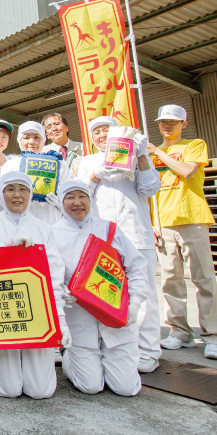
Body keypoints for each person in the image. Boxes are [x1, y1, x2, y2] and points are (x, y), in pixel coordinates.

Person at [0, 171, 67, 399]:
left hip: (35, 311)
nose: (17, 195)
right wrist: (7, 246)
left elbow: (54, 273)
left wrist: (59, 317)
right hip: (0, 309)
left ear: (31, 194)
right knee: (8, 390)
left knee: (41, 391)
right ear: (1, 194)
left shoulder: (44, 229)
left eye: (23, 189)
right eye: (10, 189)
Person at [77, 116, 162, 373]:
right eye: (97, 132)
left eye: (107, 131)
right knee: (105, 292)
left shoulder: (135, 156)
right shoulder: (88, 161)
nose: (102, 135)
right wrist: (96, 173)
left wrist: (142, 155)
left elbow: (150, 188)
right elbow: (79, 195)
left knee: (144, 295)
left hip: (137, 234)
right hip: (103, 237)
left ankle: (148, 351)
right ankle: (114, 348)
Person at [148, 105, 217, 360]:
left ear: (184, 123)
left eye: (172, 122)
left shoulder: (194, 145)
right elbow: (151, 190)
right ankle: (180, 331)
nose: (167, 126)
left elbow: (186, 171)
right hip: (165, 223)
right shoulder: (151, 155)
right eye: (163, 122)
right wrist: (153, 223)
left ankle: (214, 336)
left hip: (192, 218)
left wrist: (158, 151)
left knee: (203, 278)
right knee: (170, 280)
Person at [54, 179, 148, 397]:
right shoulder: (53, 233)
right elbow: (49, 275)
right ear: (61, 202)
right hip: (80, 320)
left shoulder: (108, 229)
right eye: (70, 197)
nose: (77, 203)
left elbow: (136, 267)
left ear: (90, 200)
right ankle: (71, 357)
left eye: (82, 196)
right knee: (91, 386)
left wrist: (134, 303)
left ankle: (112, 362)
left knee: (125, 388)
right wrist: (59, 294)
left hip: (116, 320)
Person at [0, 121, 71, 225]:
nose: (32, 141)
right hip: (19, 224)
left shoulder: (59, 165)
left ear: (44, 140)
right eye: (26, 137)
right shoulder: (10, 165)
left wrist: (61, 202)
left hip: (51, 222)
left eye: (37, 137)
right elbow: (0, 198)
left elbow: (70, 193)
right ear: (19, 140)